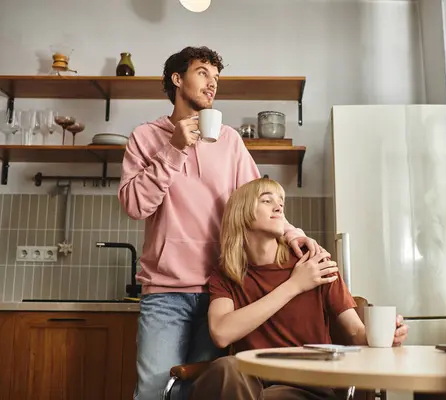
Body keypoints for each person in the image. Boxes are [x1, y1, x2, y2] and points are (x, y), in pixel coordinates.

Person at [117, 46, 323, 400]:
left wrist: (294, 235)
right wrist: (174, 148)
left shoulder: (229, 140)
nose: (212, 84)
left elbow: (257, 201)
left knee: (205, 390)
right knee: (155, 390)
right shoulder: (145, 137)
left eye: (216, 78)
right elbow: (135, 206)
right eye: (202, 73)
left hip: (224, 290)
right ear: (177, 79)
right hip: (166, 293)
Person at [189, 177, 409, 399]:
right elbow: (221, 333)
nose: (279, 207)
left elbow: (355, 332)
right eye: (267, 200)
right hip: (251, 382)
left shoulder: (314, 261)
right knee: (226, 368)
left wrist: (386, 336)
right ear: (241, 214)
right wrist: (294, 285)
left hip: (308, 386)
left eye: (281, 202)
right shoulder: (227, 273)